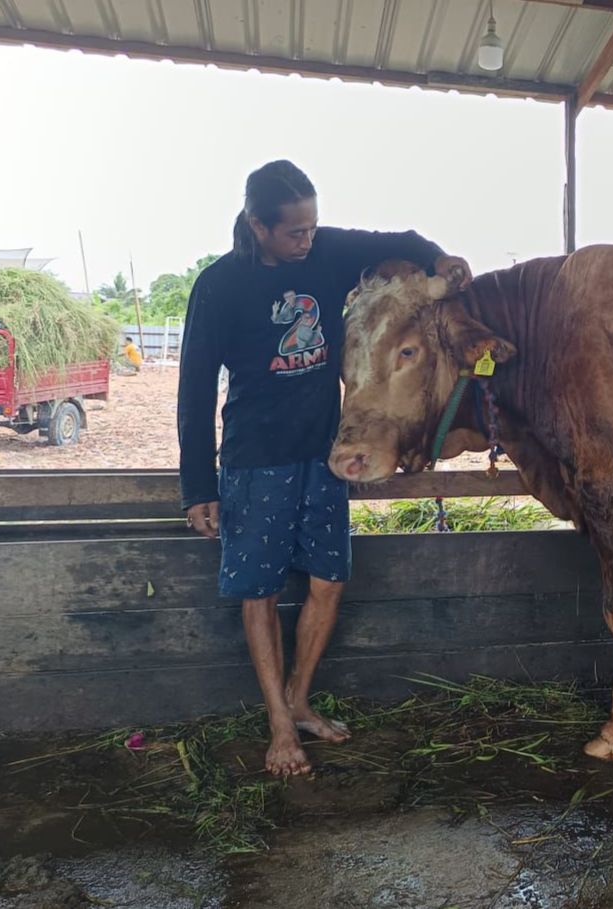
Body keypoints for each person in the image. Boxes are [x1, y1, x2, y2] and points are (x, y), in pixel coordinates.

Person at [177, 160, 471, 776]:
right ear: (257, 225)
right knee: (258, 593)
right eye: (294, 232)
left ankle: (301, 699)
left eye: (312, 227)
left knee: (329, 582)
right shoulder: (220, 286)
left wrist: (440, 258)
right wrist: (198, 485)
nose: (307, 239)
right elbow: (195, 389)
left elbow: (405, 242)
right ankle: (279, 727)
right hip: (256, 461)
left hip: (324, 455)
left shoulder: (328, 253)